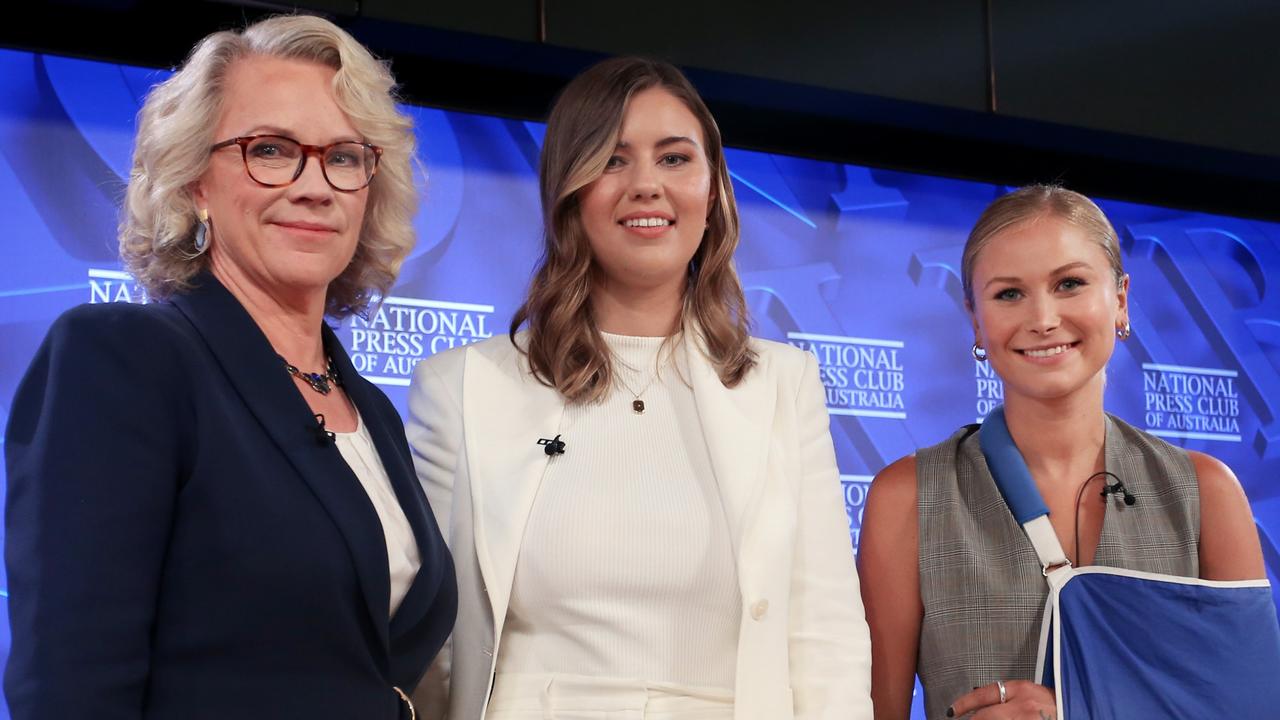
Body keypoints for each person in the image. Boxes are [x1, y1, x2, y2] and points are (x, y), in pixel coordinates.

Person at [3, 15, 456, 719]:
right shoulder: (125, 359)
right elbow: (70, 684)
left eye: (343, 156)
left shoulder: (372, 410)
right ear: (194, 184)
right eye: (270, 150)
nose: (315, 186)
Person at [406, 57, 872, 720]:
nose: (646, 185)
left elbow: (824, 634)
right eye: (613, 159)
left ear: (713, 193)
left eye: (675, 159)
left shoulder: (783, 385)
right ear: (568, 190)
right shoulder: (461, 387)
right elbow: (434, 645)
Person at [857, 185, 1266, 719]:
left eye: (1069, 284)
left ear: (1119, 300)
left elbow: (1255, 708)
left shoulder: (1205, 492)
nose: (1043, 318)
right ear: (976, 320)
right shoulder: (909, 496)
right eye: (1009, 294)